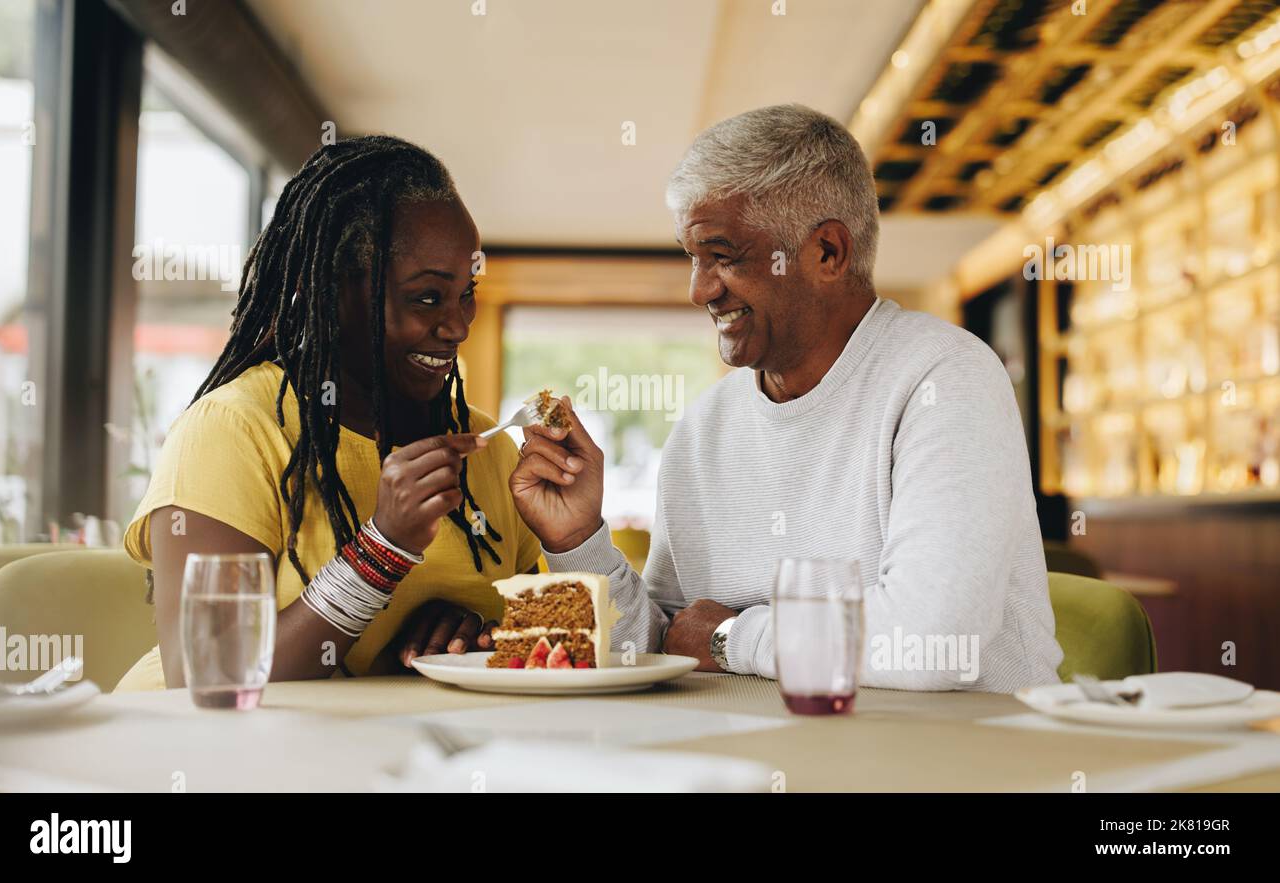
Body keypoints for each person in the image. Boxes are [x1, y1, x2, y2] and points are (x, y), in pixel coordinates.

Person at [509, 105, 1063, 691]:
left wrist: (733, 639)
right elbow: (666, 643)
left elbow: (927, 645)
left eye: (723, 255)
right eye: (692, 258)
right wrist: (578, 542)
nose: (699, 290)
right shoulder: (704, 428)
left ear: (828, 252)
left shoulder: (944, 379)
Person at [116, 136, 539, 690]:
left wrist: (476, 636)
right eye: (428, 297)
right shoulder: (234, 429)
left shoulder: (488, 444)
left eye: (467, 292)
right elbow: (210, 678)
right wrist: (383, 550)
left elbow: (536, 648)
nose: (459, 325)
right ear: (332, 289)